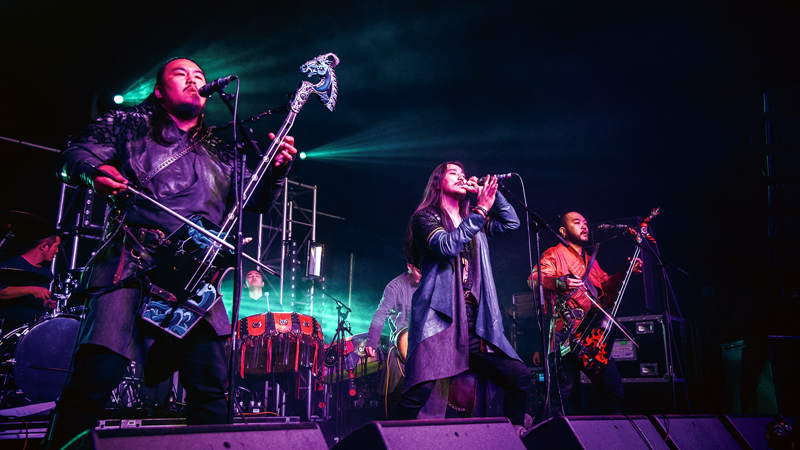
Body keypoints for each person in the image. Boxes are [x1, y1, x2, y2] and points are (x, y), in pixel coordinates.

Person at [47, 57, 297, 447]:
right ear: (159, 91)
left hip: (195, 277)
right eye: (181, 74)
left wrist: (277, 169)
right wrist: (94, 174)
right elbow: (74, 156)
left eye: (199, 76)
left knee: (211, 388)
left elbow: (256, 201)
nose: (194, 80)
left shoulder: (222, 149)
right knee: (95, 377)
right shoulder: (129, 123)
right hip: (130, 266)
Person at [393, 161, 533, 431]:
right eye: (453, 173)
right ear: (438, 182)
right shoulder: (426, 218)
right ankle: (391, 439)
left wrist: (490, 194)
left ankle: (514, 437)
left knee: (519, 376)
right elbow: (445, 246)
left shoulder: (474, 220)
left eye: (463, 173)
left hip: (474, 322)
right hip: (440, 318)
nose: (461, 176)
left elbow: (512, 222)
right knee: (419, 389)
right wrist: (481, 210)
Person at [529, 211, 642, 414]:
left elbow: (606, 287)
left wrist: (626, 271)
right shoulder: (554, 253)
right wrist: (559, 282)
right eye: (577, 222)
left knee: (613, 390)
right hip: (565, 335)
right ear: (563, 231)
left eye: (585, 223)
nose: (584, 226)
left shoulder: (591, 261)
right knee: (561, 395)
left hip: (590, 337)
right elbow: (534, 278)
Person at [0, 235, 60, 332]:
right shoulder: (11, 265)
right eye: (56, 246)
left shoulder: (46, 274)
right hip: (9, 328)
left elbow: (34, 303)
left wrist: (46, 304)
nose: (57, 251)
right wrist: (31, 290)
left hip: (34, 329)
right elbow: (2, 293)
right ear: (44, 246)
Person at [364, 261, 421, 358]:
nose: (423, 275)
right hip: (400, 345)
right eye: (419, 271)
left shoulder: (430, 282)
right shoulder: (394, 287)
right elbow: (381, 314)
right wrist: (371, 341)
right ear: (409, 266)